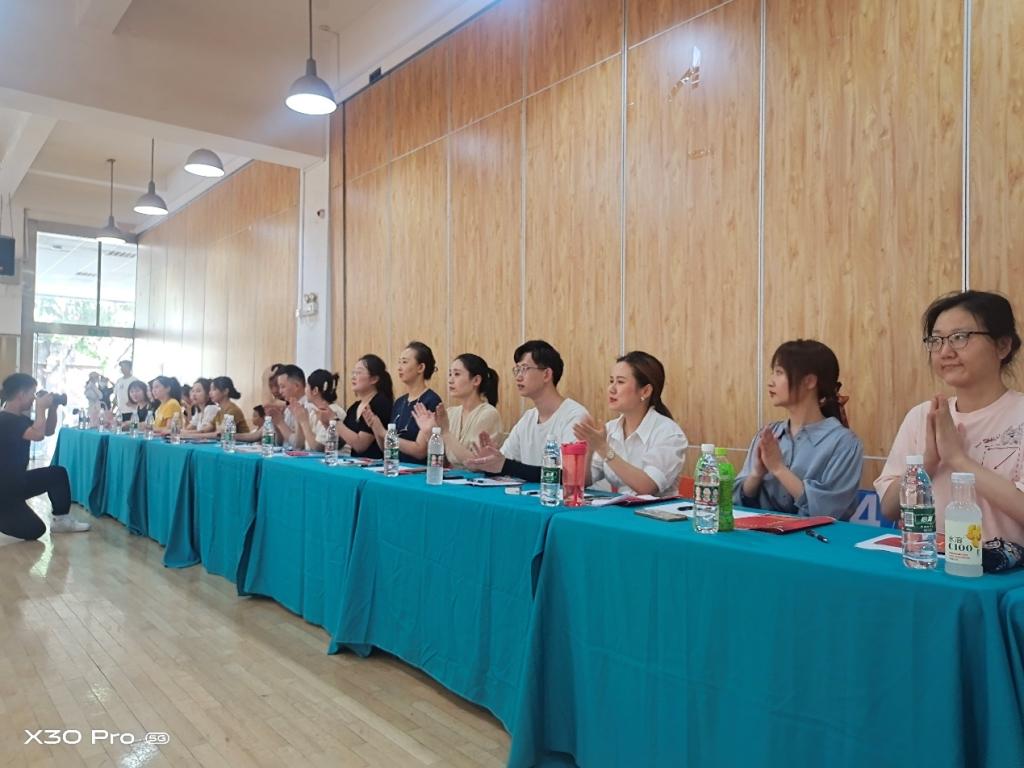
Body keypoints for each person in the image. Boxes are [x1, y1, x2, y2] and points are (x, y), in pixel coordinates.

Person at [875, 290, 1024, 542]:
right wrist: (927, 463)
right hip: (929, 561)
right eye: (936, 340)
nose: (945, 351)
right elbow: (889, 509)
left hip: (1004, 566)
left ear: (1002, 346)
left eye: (959, 337)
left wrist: (958, 459)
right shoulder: (922, 416)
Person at [734, 339, 864, 520]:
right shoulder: (769, 435)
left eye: (779, 373)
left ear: (809, 381)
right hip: (759, 535)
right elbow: (735, 504)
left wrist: (779, 469)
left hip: (815, 538)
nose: (770, 382)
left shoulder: (844, 443)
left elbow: (828, 512)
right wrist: (756, 474)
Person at [469, 340, 590, 480]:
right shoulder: (528, 418)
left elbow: (569, 475)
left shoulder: (575, 417)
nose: (518, 376)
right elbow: (504, 462)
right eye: (517, 370)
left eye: (524, 369)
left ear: (546, 374)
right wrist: (489, 461)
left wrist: (505, 465)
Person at [572, 351, 687, 497]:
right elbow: (584, 482)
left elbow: (647, 487)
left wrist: (602, 448)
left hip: (656, 510)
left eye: (620, 382)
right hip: (620, 508)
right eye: (611, 381)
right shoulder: (610, 428)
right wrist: (589, 448)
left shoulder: (669, 433)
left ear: (645, 391)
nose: (611, 389)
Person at [0, 373, 90, 537]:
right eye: (32, 394)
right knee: (35, 530)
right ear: (21, 394)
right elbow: (37, 435)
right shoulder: (5, 419)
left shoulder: (19, 419)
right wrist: (41, 408)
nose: (34, 399)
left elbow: (47, 431)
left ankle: (61, 521)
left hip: (17, 482)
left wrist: (53, 408)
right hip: (4, 489)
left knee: (57, 474)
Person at [412, 353, 504, 468]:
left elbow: (477, 464)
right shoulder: (451, 413)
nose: (450, 380)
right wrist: (429, 433)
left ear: (476, 380)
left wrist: (446, 433)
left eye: (457, 374)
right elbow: (443, 463)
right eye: (450, 374)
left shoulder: (488, 414)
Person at [366, 342, 442, 463]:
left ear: (420, 368)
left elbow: (420, 451)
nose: (399, 367)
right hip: (394, 467)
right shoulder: (399, 402)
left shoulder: (431, 401)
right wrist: (376, 427)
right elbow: (387, 449)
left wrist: (384, 433)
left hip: (417, 470)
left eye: (405, 362)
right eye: (399, 362)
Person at [339, 354, 394, 459]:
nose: (353, 377)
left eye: (359, 372)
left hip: (377, 465)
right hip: (355, 464)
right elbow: (340, 441)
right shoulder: (354, 407)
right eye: (353, 372)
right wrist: (327, 421)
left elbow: (361, 445)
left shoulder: (380, 402)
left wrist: (335, 422)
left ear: (374, 379)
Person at [297, 369, 347, 452]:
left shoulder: (333, 411)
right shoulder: (314, 411)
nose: (305, 390)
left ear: (315, 390)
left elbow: (318, 448)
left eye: (306, 386)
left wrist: (304, 422)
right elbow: (301, 445)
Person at [267, 365, 314, 449]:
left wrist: (280, 423)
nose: (280, 391)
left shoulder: (308, 407)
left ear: (296, 386)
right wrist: (276, 424)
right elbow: (279, 443)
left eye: (283, 386)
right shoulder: (288, 407)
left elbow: (298, 445)